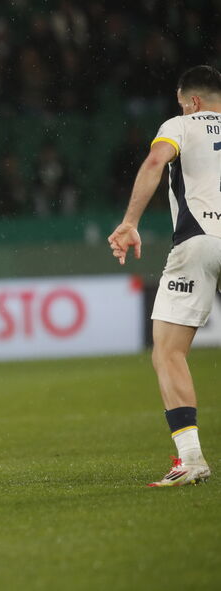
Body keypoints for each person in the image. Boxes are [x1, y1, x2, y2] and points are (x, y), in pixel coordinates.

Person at [107, 65, 220, 487]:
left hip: (200, 242)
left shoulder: (181, 125)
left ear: (191, 102)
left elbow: (156, 159)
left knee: (169, 351)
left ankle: (191, 458)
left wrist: (130, 221)